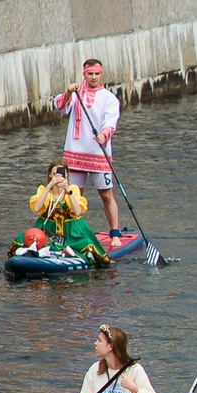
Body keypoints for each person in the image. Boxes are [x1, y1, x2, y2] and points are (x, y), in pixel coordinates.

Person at [52, 58, 124, 237]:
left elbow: (111, 121)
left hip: (98, 153)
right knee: (73, 196)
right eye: (90, 74)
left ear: (101, 74)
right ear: (84, 74)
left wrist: (104, 134)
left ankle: (114, 233)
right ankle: (72, 234)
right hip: (75, 153)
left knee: (106, 196)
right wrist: (69, 92)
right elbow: (60, 106)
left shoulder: (109, 98)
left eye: (97, 74)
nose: (93, 77)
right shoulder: (77, 94)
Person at [24, 160, 103, 263]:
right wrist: (49, 186)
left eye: (61, 174)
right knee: (24, 240)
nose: (58, 177)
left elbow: (77, 211)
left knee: (87, 244)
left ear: (67, 175)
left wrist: (67, 190)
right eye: (54, 174)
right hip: (49, 231)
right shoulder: (44, 190)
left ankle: (72, 252)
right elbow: (37, 208)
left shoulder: (72, 189)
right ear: (50, 175)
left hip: (71, 232)